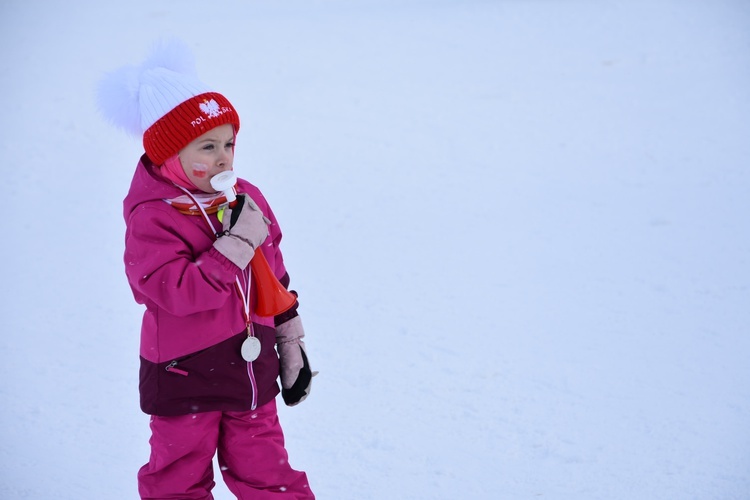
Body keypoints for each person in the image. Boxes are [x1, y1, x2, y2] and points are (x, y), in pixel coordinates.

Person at [97, 40, 315, 499]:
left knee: (268, 473)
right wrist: (233, 245)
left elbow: (272, 269)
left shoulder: (244, 197)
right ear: (169, 153)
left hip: (252, 367)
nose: (224, 158)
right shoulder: (153, 216)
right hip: (184, 373)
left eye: (229, 144)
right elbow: (172, 291)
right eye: (207, 146)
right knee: (178, 479)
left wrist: (288, 331)